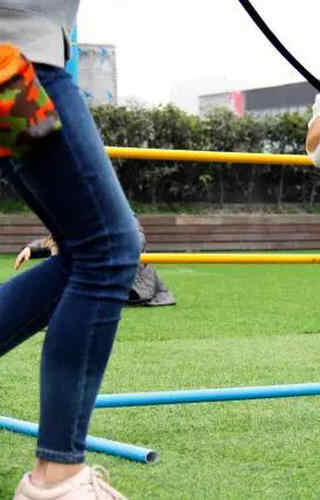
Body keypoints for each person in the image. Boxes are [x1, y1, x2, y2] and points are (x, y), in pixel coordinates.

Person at [1, 2, 140, 498]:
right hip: (17, 55)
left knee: (92, 252)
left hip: (19, 52)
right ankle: (55, 481)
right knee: (110, 250)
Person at [15, 221, 176, 308]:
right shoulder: (82, 213)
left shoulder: (118, 212)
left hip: (129, 282)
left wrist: (104, 249)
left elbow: (134, 241)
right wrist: (32, 248)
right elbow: (60, 240)